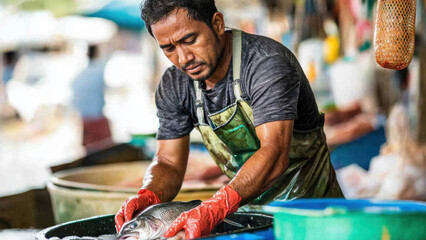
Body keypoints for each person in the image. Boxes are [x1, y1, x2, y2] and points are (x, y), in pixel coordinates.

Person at [115, 0, 344, 238]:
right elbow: (169, 162)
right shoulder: (176, 85)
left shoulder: (266, 63)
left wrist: (217, 205)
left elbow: (274, 153)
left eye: (190, 40)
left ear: (217, 23)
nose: (183, 58)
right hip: (246, 218)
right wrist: (149, 194)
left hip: (315, 217)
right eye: (169, 48)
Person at [72, 45, 112, 153]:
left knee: (90, 152)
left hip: (84, 119)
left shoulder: (80, 74)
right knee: (105, 151)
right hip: (97, 118)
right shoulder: (100, 68)